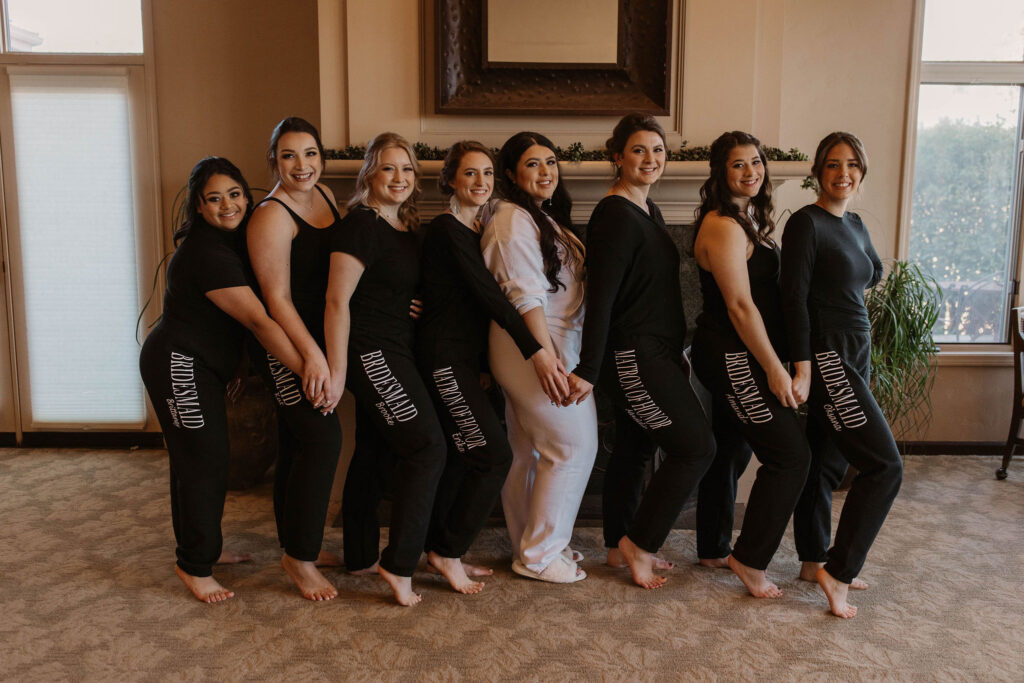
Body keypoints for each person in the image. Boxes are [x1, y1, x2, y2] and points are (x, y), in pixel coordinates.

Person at [140, 156, 307, 603]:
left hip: (204, 366)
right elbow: (258, 321)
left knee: (197, 459)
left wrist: (232, 367)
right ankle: (194, 565)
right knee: (204, 461)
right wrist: (308, 368)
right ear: (198, 206)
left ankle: (202, 550)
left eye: (235, 194)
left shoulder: (234, 239)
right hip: (178, 363)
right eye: (214, 199)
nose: (228, 205)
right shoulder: (206, 252)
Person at [563, 113, 716, 589]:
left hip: (659, 350)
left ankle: (615, 545)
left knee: (635, 445)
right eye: (638, 150)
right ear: (617, 157)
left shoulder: (645, 211)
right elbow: (602, 295)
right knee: (696, 448)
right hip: (633, 354)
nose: (650, 159)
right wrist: (589, 368)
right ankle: (641, 543)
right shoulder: (613, 214)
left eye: (658, 151)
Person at [416, 141, 570, 593]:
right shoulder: (446, 230)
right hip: (443, 360)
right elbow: (493, 299)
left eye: (486, 174)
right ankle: (445, 552)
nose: (480, 182)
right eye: (469, 174)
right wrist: (537, 351)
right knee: (494, 455)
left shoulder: (474, 231)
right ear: (449, 180)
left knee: (467, 456)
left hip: (466, 362)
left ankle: (442, 550)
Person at [781, 131, 903, 618]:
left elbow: (872, 272)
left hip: (857, 351)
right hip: (829, 354)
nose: (843, 173)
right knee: (884, 466)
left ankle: (813, 561)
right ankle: (840, 568)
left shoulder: (853, 223)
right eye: (833, 164)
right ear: (817, 171)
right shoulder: (806, 225)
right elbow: (793, 299)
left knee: (826, 461)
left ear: (862, 171)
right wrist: (804, 367)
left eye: (853, 164)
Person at [323, 132, 447, 606]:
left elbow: (390, 286)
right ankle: (398, 565)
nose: (400, 177)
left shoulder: (403, 229)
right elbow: (337, 301)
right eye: (389, 168)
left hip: (396, 347)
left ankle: (358, 554)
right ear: (369, 174)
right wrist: (336, 372)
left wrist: (411, 303)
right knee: (427, 447)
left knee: (375, 449)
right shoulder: (361, 225)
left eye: (408, 169)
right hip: (369, 352)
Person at [690, 130, 811, 598]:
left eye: (756, 161)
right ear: (721, 173)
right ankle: (750, 557)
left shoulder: (747, 221)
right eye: (738, 164)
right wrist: (776, 370)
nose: (751, 171)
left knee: (731, 448)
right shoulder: (723, 225)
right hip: (731, 354)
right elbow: (741, 306)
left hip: (738, 353)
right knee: (790, 456)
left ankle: (713, 546)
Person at [481, 131, 595, 583]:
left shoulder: (541, 217)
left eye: (550, 162)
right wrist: (544, 358)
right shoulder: (510, 217)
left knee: (529, 451)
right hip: (531, 345)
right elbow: (524, 295)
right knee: (572, 445)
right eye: (533, 164)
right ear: (511, 174)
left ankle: (532, 540)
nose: (546, 171)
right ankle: (539, 555)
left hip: (547, 343)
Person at [247, 117, 344, 601]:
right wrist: (311, 359)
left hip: (321, 341)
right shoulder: (271, 215)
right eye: (289, 156)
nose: (301, 165)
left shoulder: (325, 196)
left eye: (309, 154)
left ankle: (296, 541)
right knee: (322, 439)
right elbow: (277, 299)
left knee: (296, 443)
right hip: (290, 345)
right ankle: (298, 559)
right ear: (274, 161)